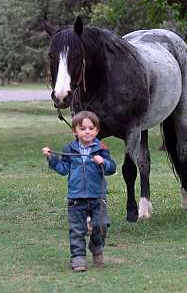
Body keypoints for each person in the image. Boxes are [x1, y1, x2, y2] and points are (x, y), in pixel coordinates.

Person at [42, 110, 116, 272]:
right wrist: (52, 159)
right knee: (77, 230)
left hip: (98, 197)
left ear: (97, 130)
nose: (87, 131)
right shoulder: (69, 149)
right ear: (75, 131)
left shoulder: (101, 149)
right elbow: (63, 169)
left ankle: (96, 247)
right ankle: (78, 258)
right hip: (76, 198)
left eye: (91, 128)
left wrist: (103, 162)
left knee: (101, 225)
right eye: (82, 128)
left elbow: (112, 168)